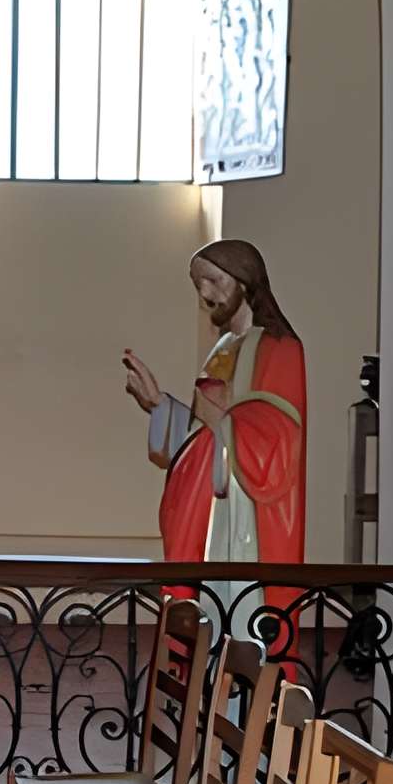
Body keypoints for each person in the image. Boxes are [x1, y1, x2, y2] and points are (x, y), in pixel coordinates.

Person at [121, 238, 308, 569]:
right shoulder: (222, 347)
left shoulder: (281, 349)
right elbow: (200, 436)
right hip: (202, 501)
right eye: (198, 284)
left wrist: (225, 420)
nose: (206, 294)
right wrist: (159, 405)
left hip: (243, 514)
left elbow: (281, 440)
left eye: (214, 280)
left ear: (244, 280)